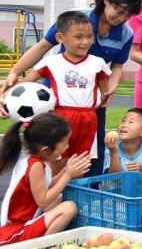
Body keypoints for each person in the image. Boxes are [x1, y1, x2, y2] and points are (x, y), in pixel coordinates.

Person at [1, 0, 142, 177]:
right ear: (106, 0)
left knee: (90, 154)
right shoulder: (76, 19)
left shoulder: (126, 33)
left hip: (90, 104)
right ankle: (46, 192)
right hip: (58, 98)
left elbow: (117, 65)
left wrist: (110, 87)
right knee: (53, 150)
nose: (121, 17)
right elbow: (43, 46)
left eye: (128, 15)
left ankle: (86, 193)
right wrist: (15, 72)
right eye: (119, 10)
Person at [15, 11, 110, 175]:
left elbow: (104, 88)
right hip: (60, 118)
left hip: (88, 120)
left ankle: (74, 198)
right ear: (60, 38)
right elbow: (27, 82)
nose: (85, 42)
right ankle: (56, 196)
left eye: (89, 36)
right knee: (57, 161)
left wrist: (103, 97)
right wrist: (6, 96)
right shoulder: (51, 62)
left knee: (81, 164)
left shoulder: (98, 63)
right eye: (78, 37)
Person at [0, 113, 91, 245]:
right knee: (69, 207)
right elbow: (43, 201)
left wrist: (66, 169)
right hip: (16, 232)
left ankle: (41, 243)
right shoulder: (36, 166)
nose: (67, 147)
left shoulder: (34, 161)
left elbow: (48, 184)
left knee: (60, 198)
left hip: (22, 226)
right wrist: (68, 175)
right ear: (45, 150)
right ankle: (42, 246)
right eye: (64, 144)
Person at [103, 108, 142, 173]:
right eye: (123, 120)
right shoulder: (111, 150)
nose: (124, 125)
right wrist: (114, 153)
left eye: (131, 122)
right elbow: (112, 178)